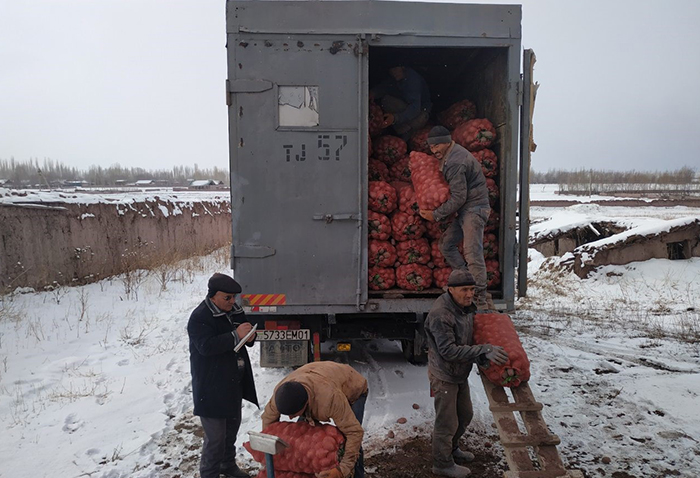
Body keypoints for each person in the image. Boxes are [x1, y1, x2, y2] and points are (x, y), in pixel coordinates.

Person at [423, 269, 509, 478]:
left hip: (459, 372)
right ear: (450, 289)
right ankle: (441, 464)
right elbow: (448, 351)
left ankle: (452, 450)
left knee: (465, 415)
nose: (469, 294)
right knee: (446, 422)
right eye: (464, 290)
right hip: (444, 375)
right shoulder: (441, 315)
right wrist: (482, 350)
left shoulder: (464, 307)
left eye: (472, 289)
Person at [188, 273, 258, 478]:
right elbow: (206, 347)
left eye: (234, 297)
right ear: (213, 296)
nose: (232, 302)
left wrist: (250, 336)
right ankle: (209, 474)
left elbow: (246, 334)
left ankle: (227, 465)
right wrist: (235, 335)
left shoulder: (234, 310)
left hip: (233, 382)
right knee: (215, 438)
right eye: (227, 298)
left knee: (230, 431)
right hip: (211, 386)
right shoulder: (200, 317)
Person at [419, 125, 492, 309]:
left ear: (446, 142)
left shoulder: (455, 162)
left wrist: (436, 215)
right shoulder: (451, 155)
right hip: (465, 211)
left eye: (436, 146)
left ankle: (479, 296)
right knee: (446, 245)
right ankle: (467, 282)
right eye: (431, 148)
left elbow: (459, 197)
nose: (434, 150)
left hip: (474, 210)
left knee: (472, 252)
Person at [261, 361, 369, 478]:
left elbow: (354, 432)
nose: (290, 418)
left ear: (305, 404)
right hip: (317, 376)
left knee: (349, 440)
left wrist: (342, 469)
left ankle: (358, 474)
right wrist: (270, 455)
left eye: (293, 414)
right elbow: (268, 422)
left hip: (352, 387)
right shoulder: (281, 395)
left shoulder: (330, 399)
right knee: (302, 439)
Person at [370, 64, 432, 140]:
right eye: (391, 70)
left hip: (420, 111)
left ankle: (406, 132)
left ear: (403, 67)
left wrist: (395, 118)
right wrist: (372, 94)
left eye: (396, 68)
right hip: (405, 107)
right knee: (387, 100)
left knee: (413, 126)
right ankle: (402, 128)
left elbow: (415, 107)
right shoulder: (395, 78)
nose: (394, 72)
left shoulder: (412, 80)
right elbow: (384, 87)